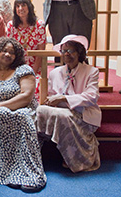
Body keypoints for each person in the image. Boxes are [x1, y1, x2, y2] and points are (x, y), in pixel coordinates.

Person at [0, 37, 46, 193]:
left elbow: (26, 96)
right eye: (4, 51)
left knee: (18, 116)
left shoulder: (23, 70)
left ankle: (29, 173)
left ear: (17, 56)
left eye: (12, 53)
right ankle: (9, 170)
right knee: (1, 114)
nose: (7, 54)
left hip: (23, 109)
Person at [36, 34, 101, 173]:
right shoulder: (55, 72)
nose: (66, 54)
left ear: (79, 53)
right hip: (61, 111)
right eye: (64, 51)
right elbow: (52, 96)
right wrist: (52, 101)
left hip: (84, 114)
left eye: (71, 51)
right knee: (40, 110)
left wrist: (64, 99)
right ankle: (34, 153)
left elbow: (92, 96)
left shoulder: (91, 71)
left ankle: (74, 158)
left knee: (63, 116)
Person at [7, 0, 46, 75]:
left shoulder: (39, 25)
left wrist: (33, 72)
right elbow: (9, 49)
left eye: (23, 5)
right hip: (16, 66)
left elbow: (41, 51)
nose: (20, 8)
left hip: (36, 67)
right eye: (17, 6)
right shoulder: (11, 25)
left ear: (29, 7)